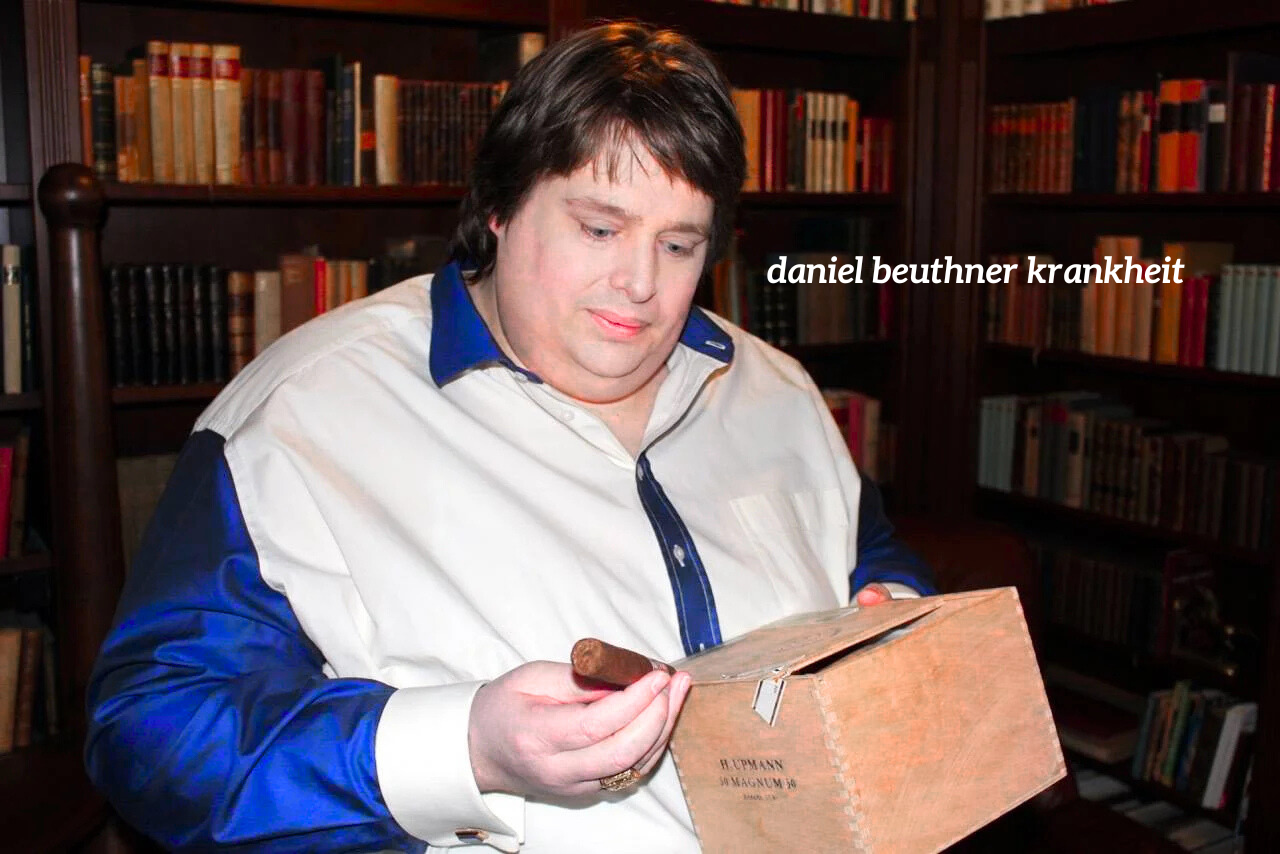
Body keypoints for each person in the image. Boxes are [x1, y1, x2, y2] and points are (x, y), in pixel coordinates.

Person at [84, 22, 935, 853]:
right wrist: (466, 749)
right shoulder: (300, 412)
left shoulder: (777, 389)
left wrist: (893, 613)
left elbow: (865, 555)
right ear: (498, 205)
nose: (640, 283)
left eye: (679, 245)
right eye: (599, 229)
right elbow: (152, 736)